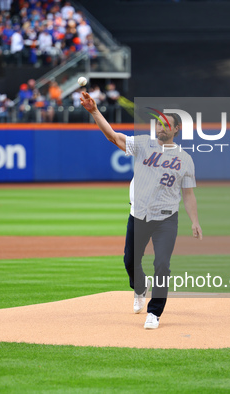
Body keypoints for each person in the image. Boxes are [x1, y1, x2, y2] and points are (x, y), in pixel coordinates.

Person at [80, 92, 203, 329]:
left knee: (162, 264)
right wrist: (94, 111)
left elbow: (188, 194)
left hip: (166, 219)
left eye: (166, 124)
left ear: (176, 129)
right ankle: (139, 287)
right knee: (130, 261)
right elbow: (113, 137)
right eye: (158, 122)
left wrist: (195, 221)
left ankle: (154, 312)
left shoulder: (185, 159)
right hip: (138, 215)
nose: (160, 126)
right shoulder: (143, 143)